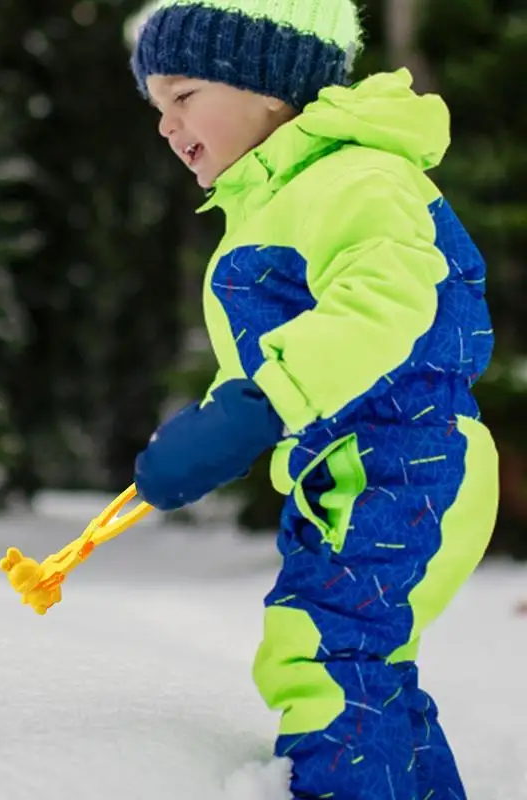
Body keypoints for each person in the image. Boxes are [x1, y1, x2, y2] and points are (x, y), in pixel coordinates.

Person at [128, 1, 500, 798]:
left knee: (321, 652)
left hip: (409, 457)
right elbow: (277, 353)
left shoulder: (358, 177)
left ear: (266, 83)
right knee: (365, 664)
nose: (165, 124)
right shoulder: (273, 203)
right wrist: (216, 424)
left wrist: (260, 404)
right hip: (360, 471)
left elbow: (391, 299)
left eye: (184, 94)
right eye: (156, 106)